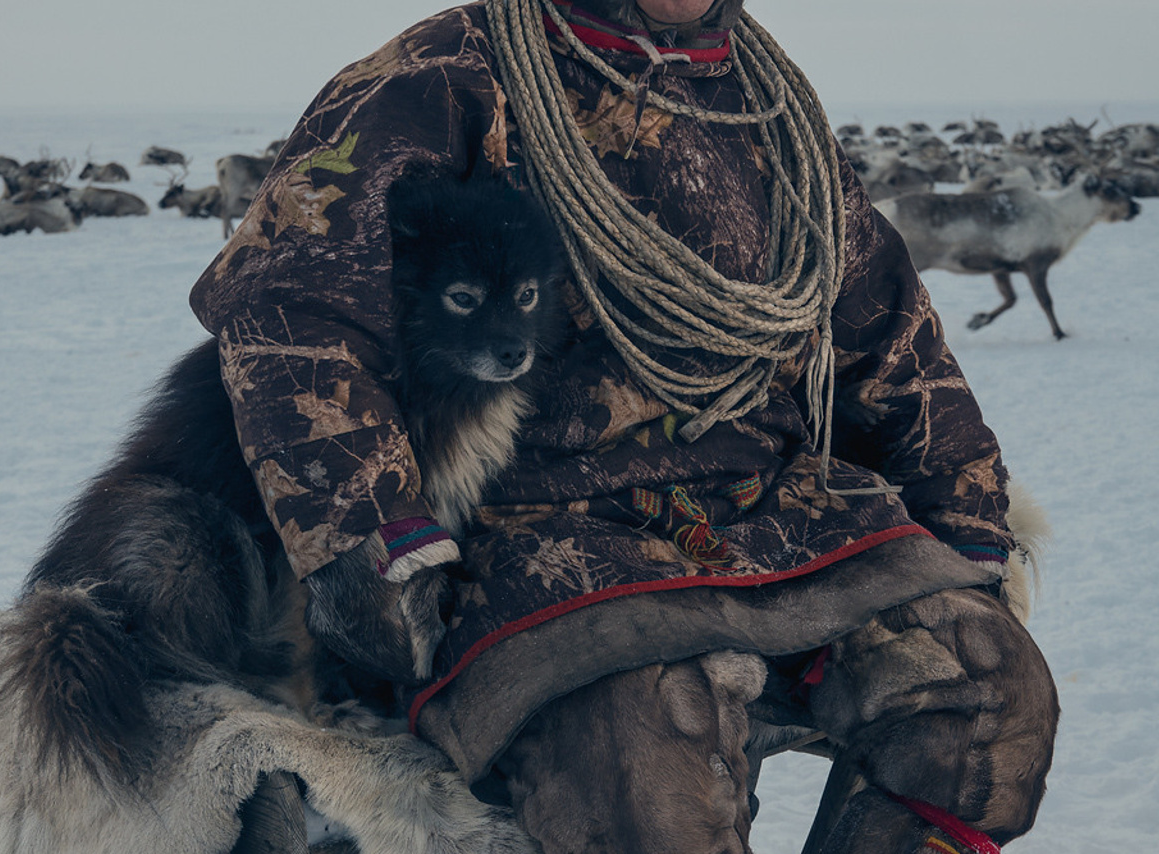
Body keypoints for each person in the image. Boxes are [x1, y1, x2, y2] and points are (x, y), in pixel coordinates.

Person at [188, 1, 1057, 852]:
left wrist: (965, 509)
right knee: (647, 767)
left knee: (989, 694)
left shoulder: (766, 99)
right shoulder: (445, 73)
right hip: (550, 534)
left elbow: (885, 324)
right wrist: (371, 541)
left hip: (782, 508)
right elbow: (291, 301)